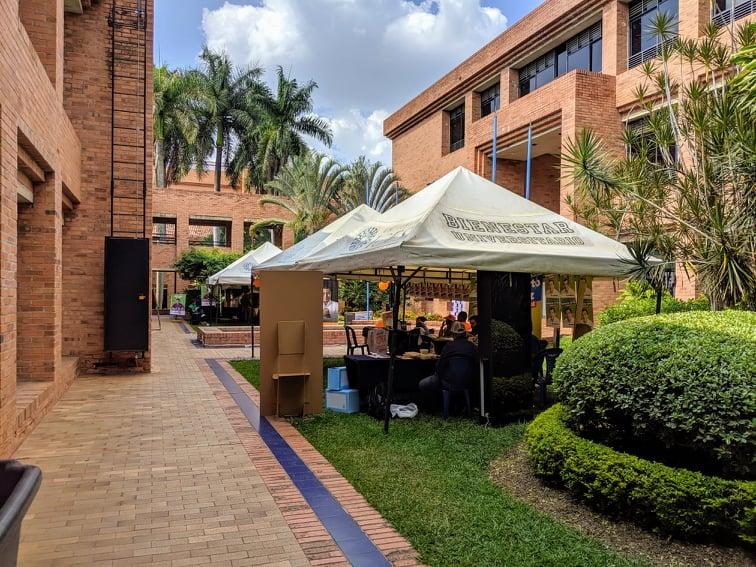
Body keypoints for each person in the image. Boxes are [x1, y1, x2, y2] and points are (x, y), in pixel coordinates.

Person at [419, 322, 478, 398]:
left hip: (448, 382)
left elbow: (439, 367)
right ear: (465, 334)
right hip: (467, 382)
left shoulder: (449, 346)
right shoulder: (472, 346)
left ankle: (435, 403)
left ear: (453, 334)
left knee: (422, 384)